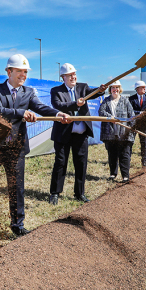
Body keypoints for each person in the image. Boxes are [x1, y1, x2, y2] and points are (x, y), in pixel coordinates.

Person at [0, 54, 71, 241]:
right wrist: (22, 113)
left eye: (25, 72)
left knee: (17, 188)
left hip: (16, 148)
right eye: (19, 71)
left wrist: (58, 113)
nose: (23, 75)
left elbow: (41, 108)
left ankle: (18, 225)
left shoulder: (28, 92)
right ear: (9, 71)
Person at [48, 63, 106, 205]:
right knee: (60, 163)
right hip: (63, 134)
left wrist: (101, 90)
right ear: (63, 77)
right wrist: (76, 104)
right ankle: (55, 193)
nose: (73, 77)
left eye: (74, 74)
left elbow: (93, 93)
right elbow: (59, 106)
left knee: (81, 163)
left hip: (80, 134)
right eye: (69, 75)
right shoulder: (56, 91)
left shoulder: (82, 87)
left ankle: (79, 193)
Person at [98, 80, 135, 183]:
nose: (115, 89)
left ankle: (125, 176)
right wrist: (111, 118)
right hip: (110, 133)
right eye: (113, 87)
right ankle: (113, 174)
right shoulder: (106, 101)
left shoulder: (125, 100)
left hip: (123, 132)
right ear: (110, 89)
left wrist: (132, 127)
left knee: (124, 154)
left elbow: (131, 115)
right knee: (112, 154)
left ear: (120, 89)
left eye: (117, 87)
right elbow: (101, 112)